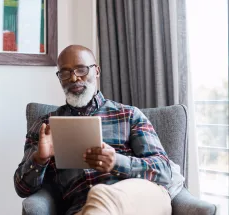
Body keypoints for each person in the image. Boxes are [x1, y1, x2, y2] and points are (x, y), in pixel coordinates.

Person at [13, 45, 184, 215]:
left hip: (138, 201)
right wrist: (40, 159)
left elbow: (164, 171)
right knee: (94, 203)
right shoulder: (45, 126)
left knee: (99, 195)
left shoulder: (129, 115)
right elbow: (22, 189)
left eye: (81, 69)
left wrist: (117, 162)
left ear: (97, 71)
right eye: (65, 73)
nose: (73, 78)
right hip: (84, 208)